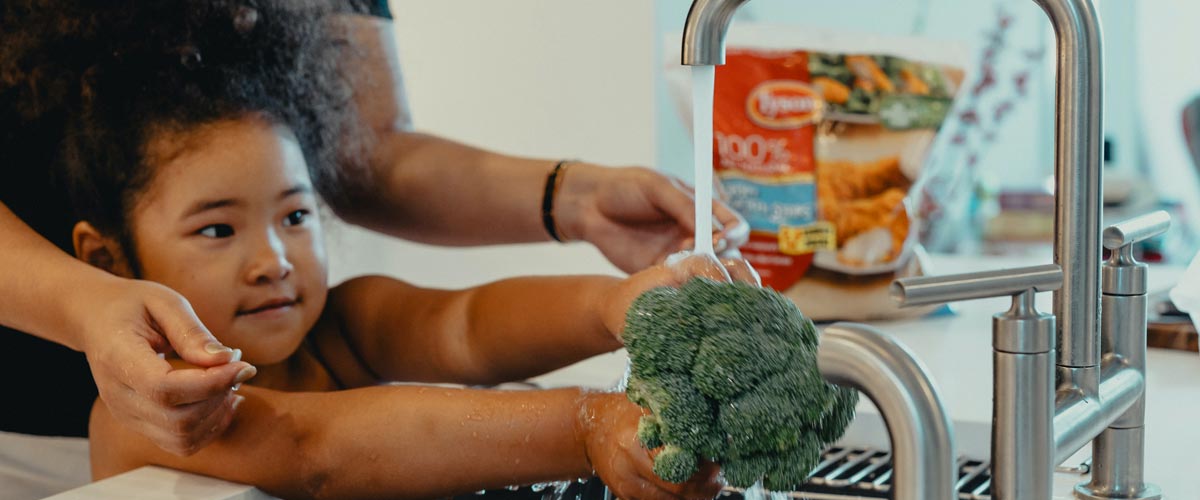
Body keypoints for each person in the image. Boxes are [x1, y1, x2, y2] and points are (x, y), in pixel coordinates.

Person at [3, 0, 752, 498]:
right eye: (216, 230)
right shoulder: (145, 413)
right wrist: (587, 424)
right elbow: (311, 448)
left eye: (296, 215)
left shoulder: (341, 327)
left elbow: (467, 327)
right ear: (106, 262)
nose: (274, 259)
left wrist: (617, 302)